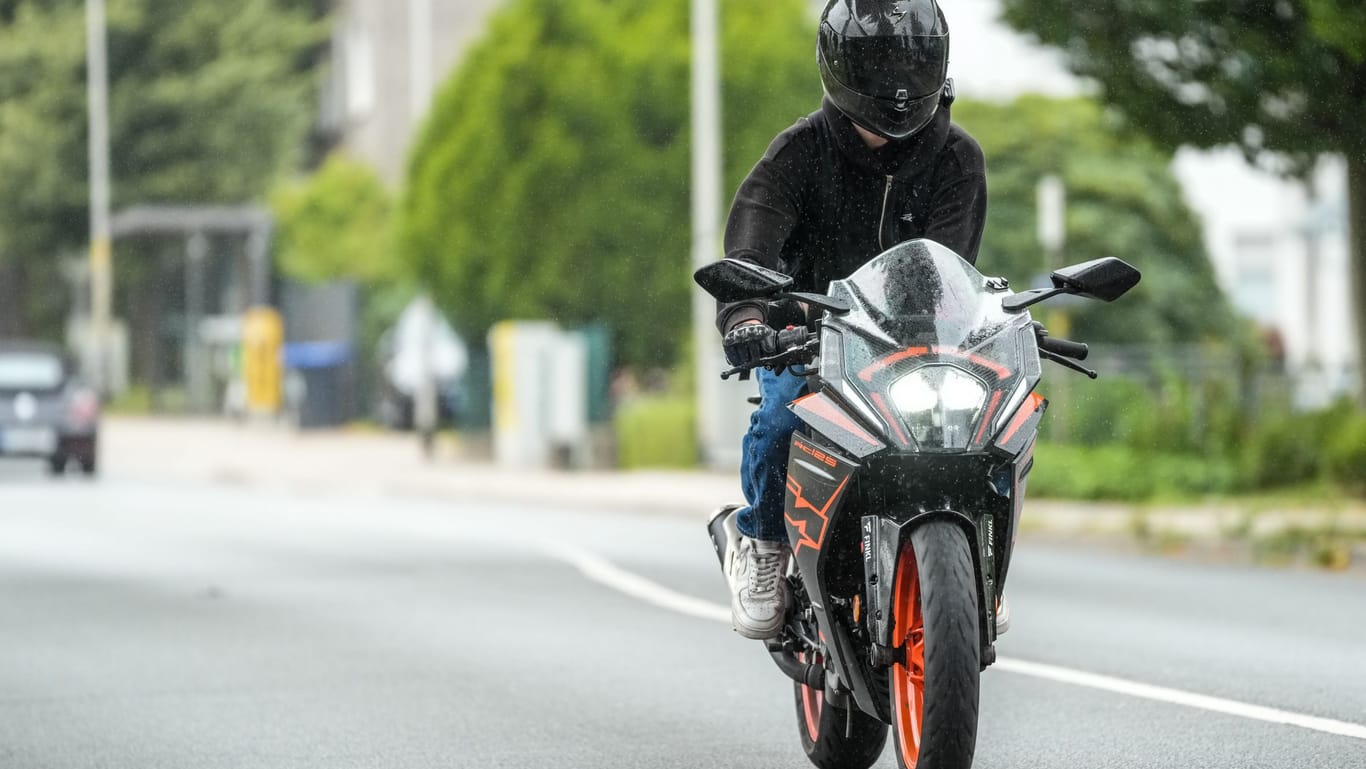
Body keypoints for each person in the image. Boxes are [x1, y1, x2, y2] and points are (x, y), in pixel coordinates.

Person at [717, 0, 988, 639]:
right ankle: (762, 543)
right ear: (840, 69)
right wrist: (749, 316)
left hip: (919, 347)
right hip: (811, 341)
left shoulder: (959, 159)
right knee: (783, 414)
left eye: (910, 61)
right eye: (878, 62)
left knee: (993, 427)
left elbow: (951, 268)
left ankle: (979, 561)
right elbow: (749, 248)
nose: (896, 82)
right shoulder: (796, 153)